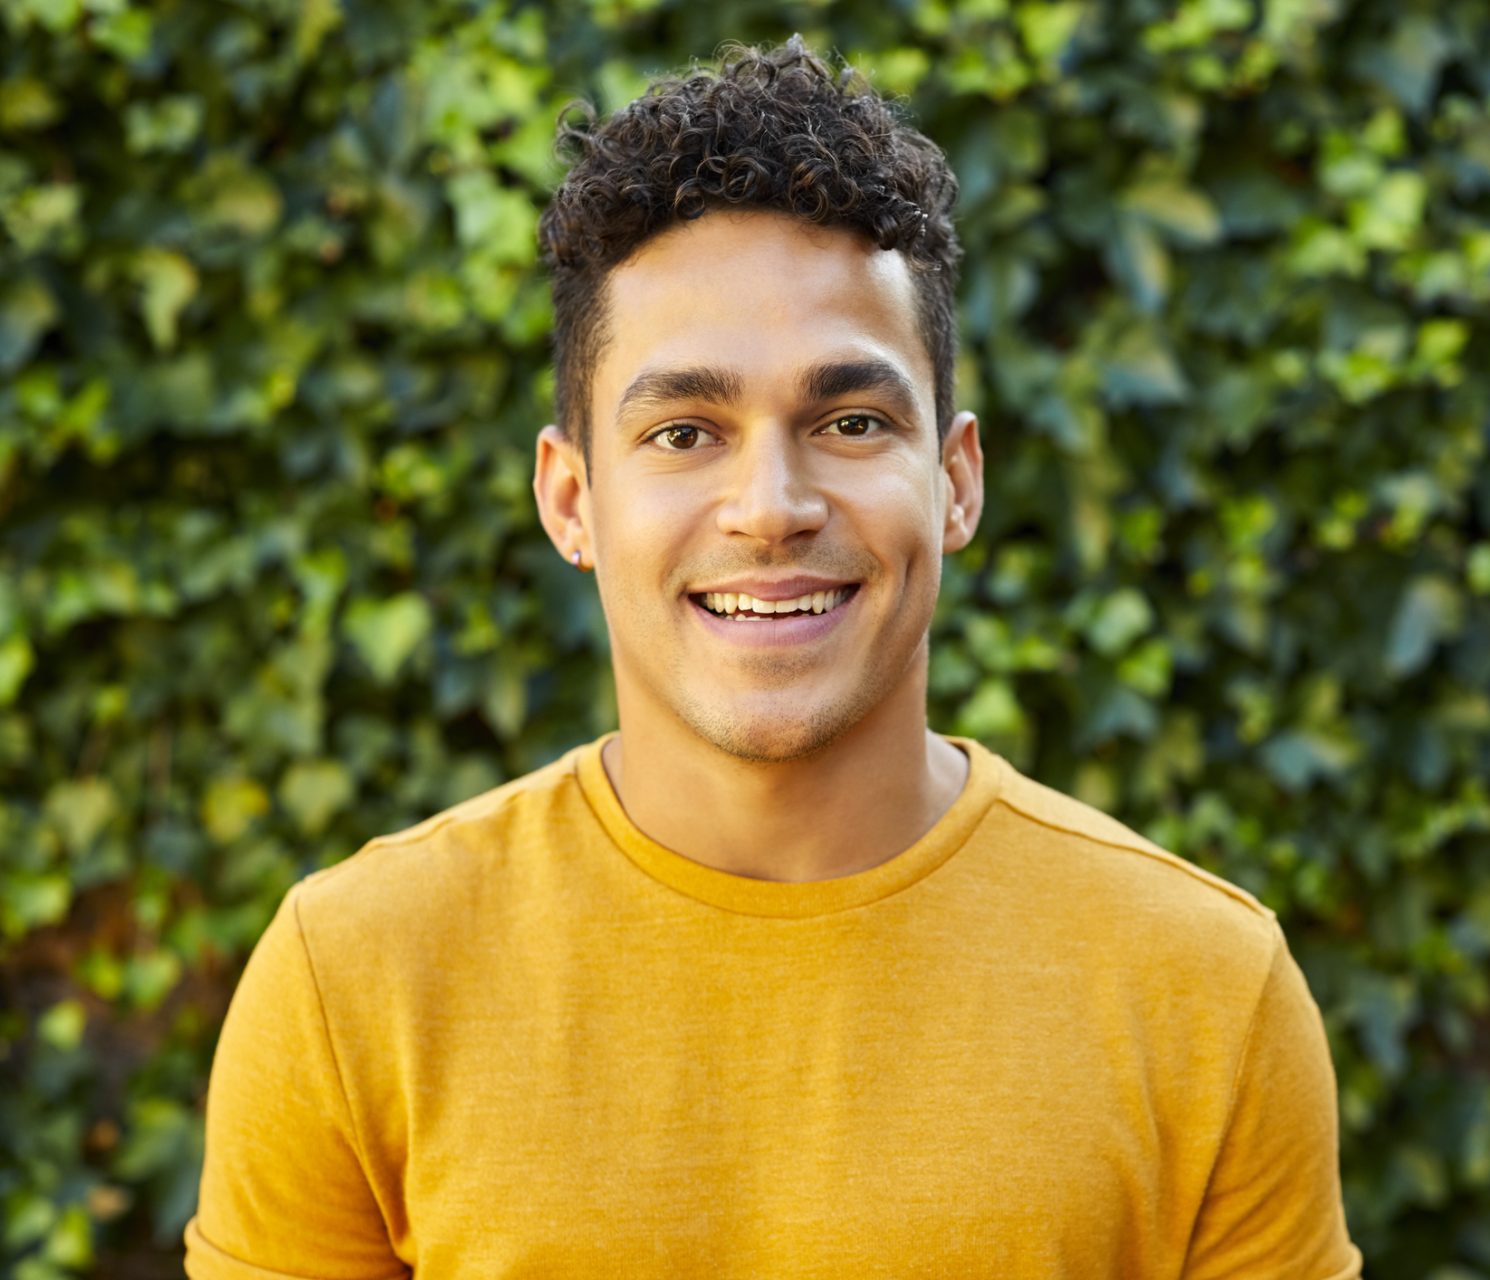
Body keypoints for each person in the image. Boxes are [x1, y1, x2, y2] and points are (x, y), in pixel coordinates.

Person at [184, 36, 1362, 1280]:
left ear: (956, 481)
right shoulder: (356, 980)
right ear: (571, 496)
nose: (771, 505)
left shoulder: (1203, 990)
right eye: (685, 430)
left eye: (850, 421)